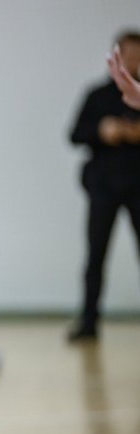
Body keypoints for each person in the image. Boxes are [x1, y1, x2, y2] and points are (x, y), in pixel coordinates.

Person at [68, 31, 140, 342]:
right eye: (129, 55)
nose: (134, 61)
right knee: (96, 256)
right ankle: (88, 321)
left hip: (139, 187)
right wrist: (103, 130)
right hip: (104, 188)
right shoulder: (97, 96)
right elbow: (75, 133)